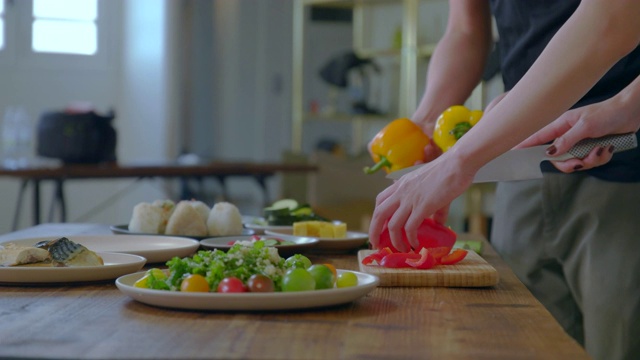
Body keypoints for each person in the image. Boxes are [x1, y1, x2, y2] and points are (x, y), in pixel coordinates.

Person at [367, 1, 640, 359]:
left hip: (625, 167)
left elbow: (610, 20)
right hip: (518, 155)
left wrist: (459, 161)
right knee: (518, 340)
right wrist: (425, 126)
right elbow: (465, 30)